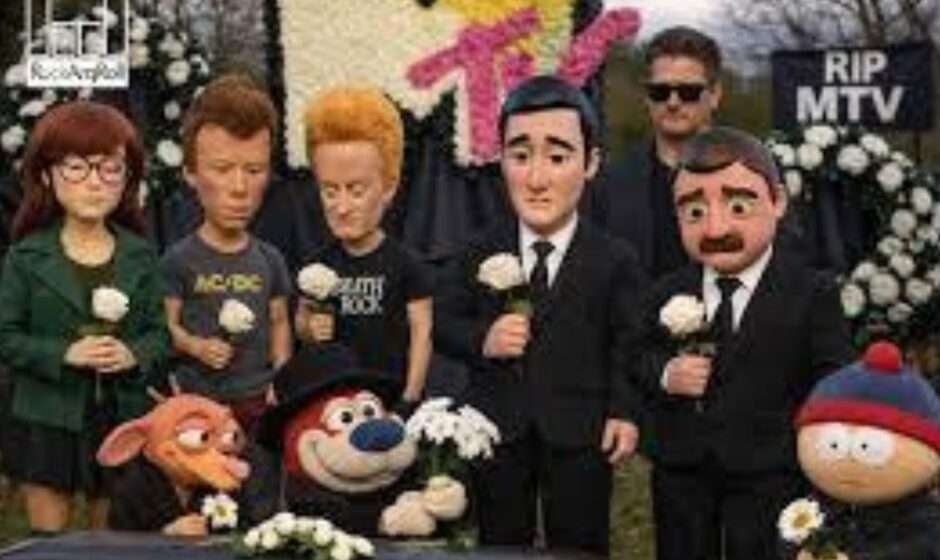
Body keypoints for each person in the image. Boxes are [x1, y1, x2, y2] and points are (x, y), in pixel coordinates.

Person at [434, 75, 645, 556]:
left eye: (557, 157)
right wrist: (483, 339)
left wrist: (623, 411)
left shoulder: (615, 258)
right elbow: (443, 322)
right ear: (501, 160)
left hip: (581, 432)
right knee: (500, 544)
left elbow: (628, 342)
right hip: (497, 429)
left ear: (590, 163)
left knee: (580, 544)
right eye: (520, 155)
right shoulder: (478, 249)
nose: (536, 178)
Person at [633, 127, 854, 560]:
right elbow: (634, 355)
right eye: (695, 212)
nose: (716, 227)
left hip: (772, 474)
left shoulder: (812, 293)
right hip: (682, 472)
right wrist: (664, 373)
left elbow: (831, 379)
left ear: (777, 201)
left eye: (738, 206)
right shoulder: (665, 292)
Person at [0, 101, 168, 533]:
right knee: (47, 540)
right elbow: (6, 336)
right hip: (45, 415)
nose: (95, 182)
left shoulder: (140, 255)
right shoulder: (26, 256)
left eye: (110, 169)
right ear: (46, 175)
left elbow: (159, 335)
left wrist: (133, 354)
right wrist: (64, 353)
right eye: (76, 167)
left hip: (119, 415)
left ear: (127, 178)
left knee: (113, 538)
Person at [161, 74, 292, 435]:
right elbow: (163, 326)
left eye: (254, 170)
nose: (239, 187)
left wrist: (282, 378)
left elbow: (279, 322)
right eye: (221, 169)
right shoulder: (177, 260)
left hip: (259, 402)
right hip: (196, 406)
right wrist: (195, 346)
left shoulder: (271, 260)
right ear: (190, 173)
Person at [294, 86, 433, 411]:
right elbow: (301, 322)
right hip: (334, 408)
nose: (342, 207)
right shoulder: (318, 266)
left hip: (392, 402)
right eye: (330, 191)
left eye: (356, 191)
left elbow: (422, 334)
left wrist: (410, 398)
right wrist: (309, 328)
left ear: (389, 187)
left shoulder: (407, 265)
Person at [588, 26, 722, 280]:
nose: (673, 102)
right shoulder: (608, 184)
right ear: (647, 97)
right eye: (660, 92)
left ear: (715, 95)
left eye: (688, 92)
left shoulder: (752, 173)